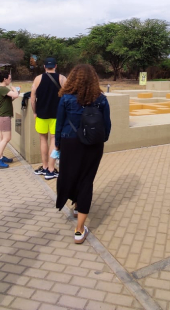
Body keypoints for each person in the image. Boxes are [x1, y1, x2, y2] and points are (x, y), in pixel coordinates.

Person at [55, 64, 111, 244]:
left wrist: (58, 144)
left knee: (70, 175)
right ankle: (79, 230)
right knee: (86, 180)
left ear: (72, 78)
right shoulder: (101, 99)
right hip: (93, 145)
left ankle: (77, 209)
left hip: (69, 142)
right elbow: (107, 125)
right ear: (94, 79)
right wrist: (100, 140)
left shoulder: (66, 98)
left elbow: (60, 123)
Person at [31, 57, 67, 180]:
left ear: (44, 67)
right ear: (56, 66)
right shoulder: (62, 79)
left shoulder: (37, 79)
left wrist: (34, 112)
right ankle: (51, 170)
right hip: (57, 115)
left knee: (43, 140)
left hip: (41, 114)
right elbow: (68, 97)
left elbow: (32, 99)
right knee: (54, 140)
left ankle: (45, 166)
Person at [0, 70, 19, 168]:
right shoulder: (3, 88)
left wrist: (13, 93)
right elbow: (15, 94)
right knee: (7, 138)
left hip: (0, 116)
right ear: (5, 79)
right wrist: (14, 89)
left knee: (1, 137)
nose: (10, 80)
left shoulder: (1, 89)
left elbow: (8, 99)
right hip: (4, 117)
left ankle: (0, 156)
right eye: (9, 78)